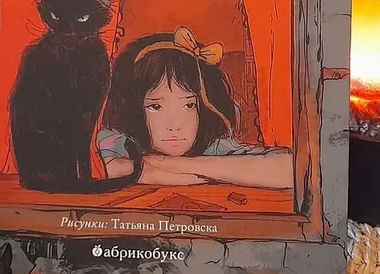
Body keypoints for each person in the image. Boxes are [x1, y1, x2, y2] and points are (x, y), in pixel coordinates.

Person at [98, 27, 293, 189]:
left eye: (189, 105)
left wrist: (171, 164)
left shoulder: (212, 146)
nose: (175, 125)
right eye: (156, 106)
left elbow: (289, 170)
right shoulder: (119, 141)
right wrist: (152, 174)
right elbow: (95, 169)